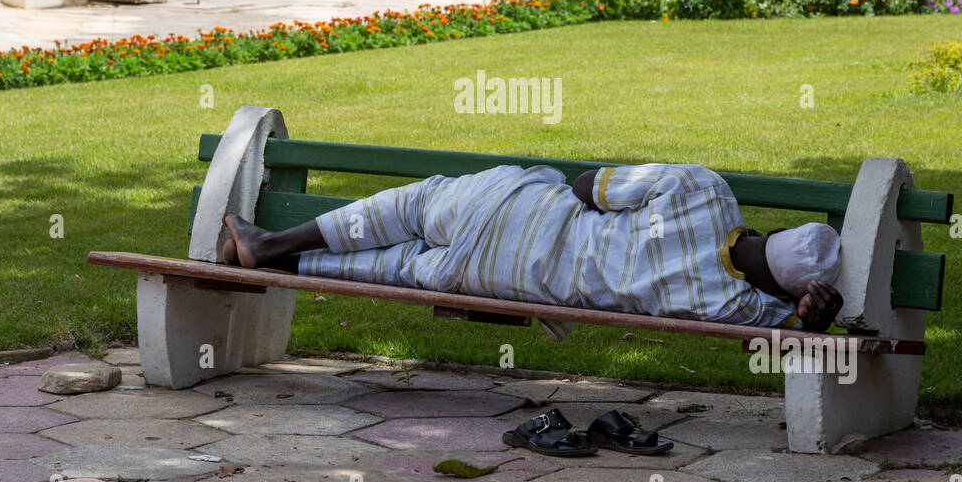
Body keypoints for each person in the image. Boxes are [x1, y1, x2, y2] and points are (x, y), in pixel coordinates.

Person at [221, 163, 843, 336]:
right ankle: (284, 261)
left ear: (773, 232)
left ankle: (271, 245)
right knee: (402, 267)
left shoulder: (703, 193)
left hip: (516, 210)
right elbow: (794, 327)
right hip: (507, 277)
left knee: (412, 208)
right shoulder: (731, 306)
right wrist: (811, 315)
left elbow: (585, 185)